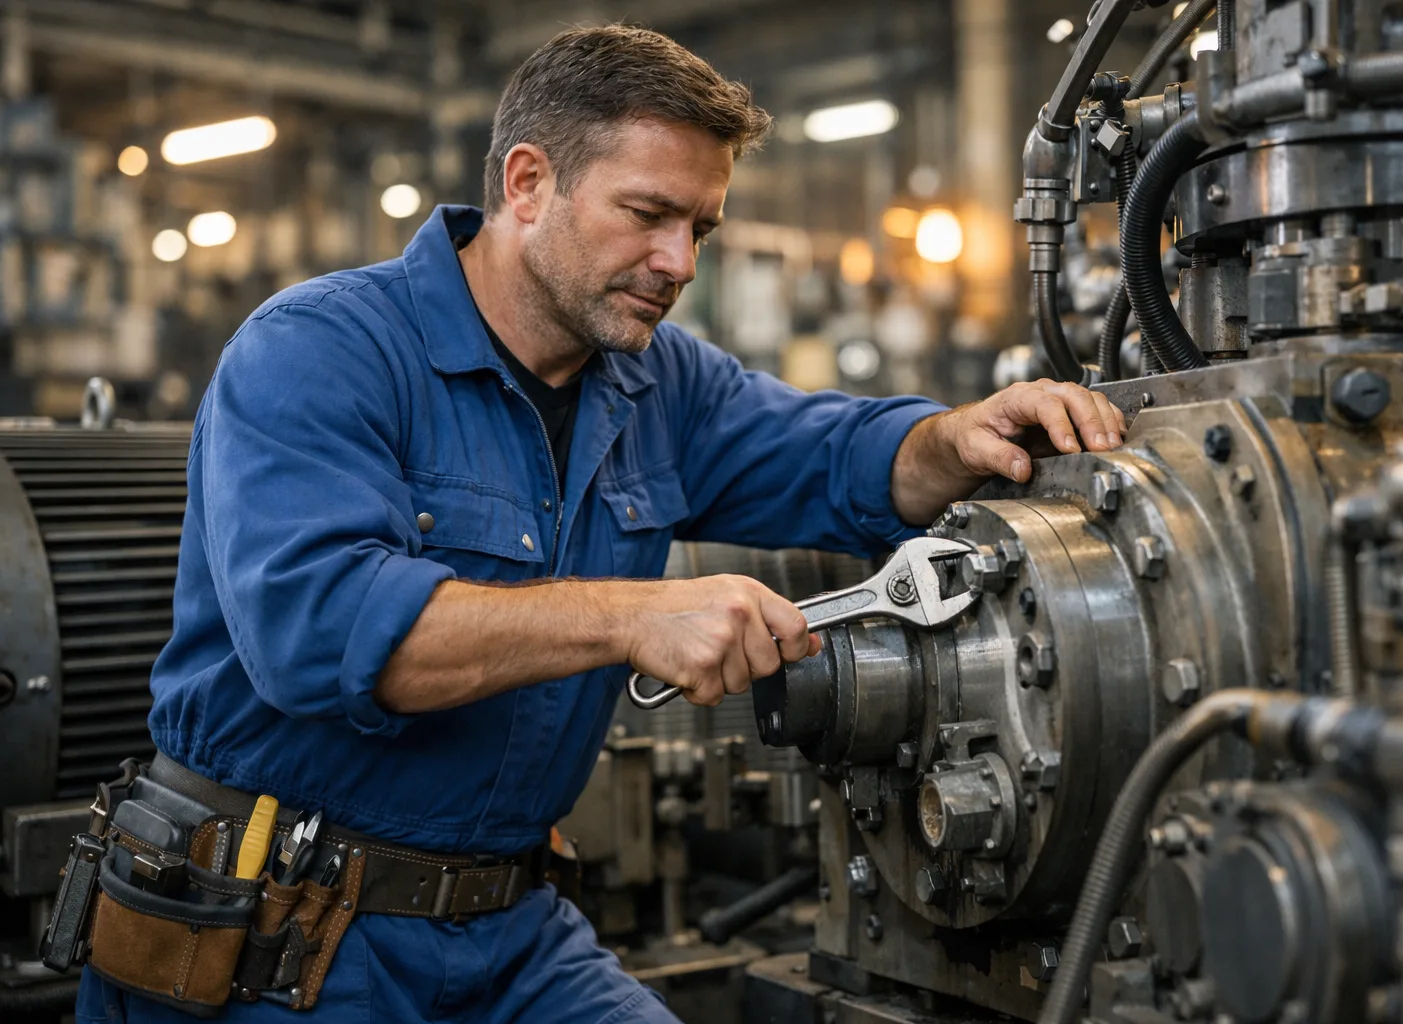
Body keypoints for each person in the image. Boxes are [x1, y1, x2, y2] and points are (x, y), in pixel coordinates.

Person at [77, 24, 1125, 1024]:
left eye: (700, 228)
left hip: (507, 926)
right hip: (282, 938)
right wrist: (634, 616)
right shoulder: (320, 351)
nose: (680, 262)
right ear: (528, 183)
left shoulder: (655, 383)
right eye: (648, 214)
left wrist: (953, 437)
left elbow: (831, 454)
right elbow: (321, 631)